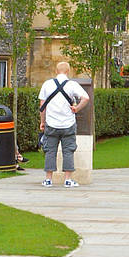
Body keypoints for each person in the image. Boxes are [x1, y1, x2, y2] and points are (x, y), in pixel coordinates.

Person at [38, 60, 90, 188]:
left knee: (50, 151)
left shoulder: (47, 84)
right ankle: (67, 180)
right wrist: (77, 108)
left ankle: (48, 179)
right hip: (68, 124)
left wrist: (42, 122)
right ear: (68, 71)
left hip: (51, 123)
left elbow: (42, 106)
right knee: (68, 151)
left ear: (56, 71)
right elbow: (86, 98)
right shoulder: (72, 85)